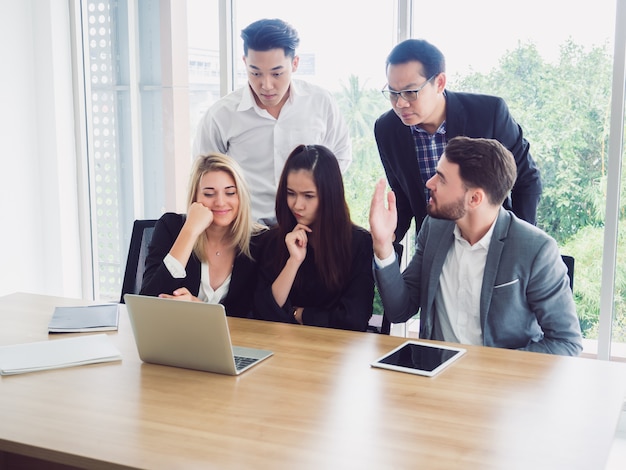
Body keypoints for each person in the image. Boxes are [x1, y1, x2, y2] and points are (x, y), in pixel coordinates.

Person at [369, 136, 582, 356]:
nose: (429, 183)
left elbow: (566, 342)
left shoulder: (536, 249)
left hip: (499, 384)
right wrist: (383, 246)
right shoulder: (434, 228)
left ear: (474, 199)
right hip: (435, 378)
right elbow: (399, 310)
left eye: (441, 179)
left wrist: (488, 370)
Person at [375, 38, 542, 244]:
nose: (400, 103)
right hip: (432, 246)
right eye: (393, 92)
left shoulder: (489, 114)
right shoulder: (387, 129)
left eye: (410, 92)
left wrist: (517, 243)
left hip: (491, 240)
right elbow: (403, 195)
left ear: (440, 83)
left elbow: (527, 180)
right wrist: (386, 238)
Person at [192, 18, 352, 226]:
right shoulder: (221, 115)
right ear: (244, 63)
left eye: (277, 73)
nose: (266, 85)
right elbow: (203, 174)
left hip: (310, 228)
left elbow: (339, 158)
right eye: (255, 73)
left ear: (294, 64)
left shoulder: (321, 103)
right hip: (247, 232)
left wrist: (312, 201)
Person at [253, 144, 374, 331]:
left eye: (308, 196)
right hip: (281, 349)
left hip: (335, 352)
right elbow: (264, 314)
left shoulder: (357, 243)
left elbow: (353, 320)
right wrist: (294, 261)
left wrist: (298, 314)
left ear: (330, 196)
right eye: (290, 193)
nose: (297, 205)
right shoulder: (272, 240)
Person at [140, 153, 266, 318]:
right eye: (209, 194)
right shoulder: (171, 227)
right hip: (177, 339)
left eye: (230, 192)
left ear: (241, 196)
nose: (220, 202)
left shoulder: (259, 241)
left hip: (236, 341)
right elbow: (147, 304)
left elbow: (259, 315)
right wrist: (190, 231)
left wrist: (197, 307)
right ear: (195, 197)